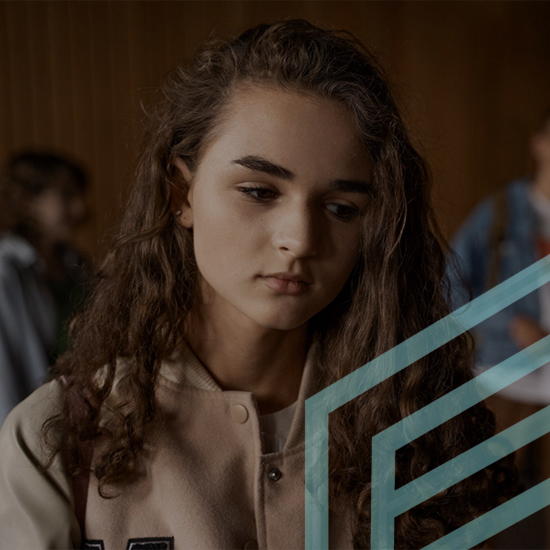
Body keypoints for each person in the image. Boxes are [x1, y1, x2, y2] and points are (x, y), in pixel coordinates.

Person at [0, 21, 515, 550]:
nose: (299, 238)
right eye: (258, 191)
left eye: (341, 208)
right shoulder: (57, 436)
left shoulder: (421, 426)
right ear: (181, 194)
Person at [449, 110, 550, 546]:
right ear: (540, 143)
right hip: (503, 381)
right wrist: (510, 323)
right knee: (490, 511)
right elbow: (449, 286)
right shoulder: (502, 212)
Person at [0, 151, 89, 426]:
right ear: (27, 202)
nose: (81, 209)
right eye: (66, 196)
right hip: (34, 426)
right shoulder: (5, 271)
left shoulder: (78, 265)